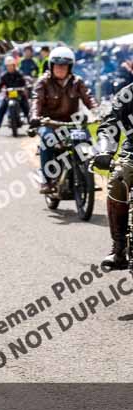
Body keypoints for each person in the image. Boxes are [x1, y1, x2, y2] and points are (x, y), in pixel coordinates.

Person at [29, 46, 98, 194]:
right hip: (50, 123)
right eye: (57, 65)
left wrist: (97, 112)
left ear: (70, 67)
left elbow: (89, 97)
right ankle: (46, 180)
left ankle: (88, 176)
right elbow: (36, 100)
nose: (60, 69)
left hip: (72, 123)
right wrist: (35, 117)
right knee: (48, 140)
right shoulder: (43, 82)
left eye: (64, 66)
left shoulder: (77, 82)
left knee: (86, 141)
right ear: (51, 66)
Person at [94, 82, 133, 270]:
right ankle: (119, 250)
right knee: (118, 178)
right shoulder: (126, 95)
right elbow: (109, 125)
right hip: (132, 153)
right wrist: (105, 150)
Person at [0, 56, 30, 136]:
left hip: (19, 95)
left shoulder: (19, 74)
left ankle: (32, 127)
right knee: (1, 109)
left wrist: (27, 86)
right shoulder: (4, 75)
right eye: (7, 66)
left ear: (14, 65)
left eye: (11, 65)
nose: (9, 67)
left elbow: (25, 82)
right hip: (9, 96)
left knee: (27, 108)